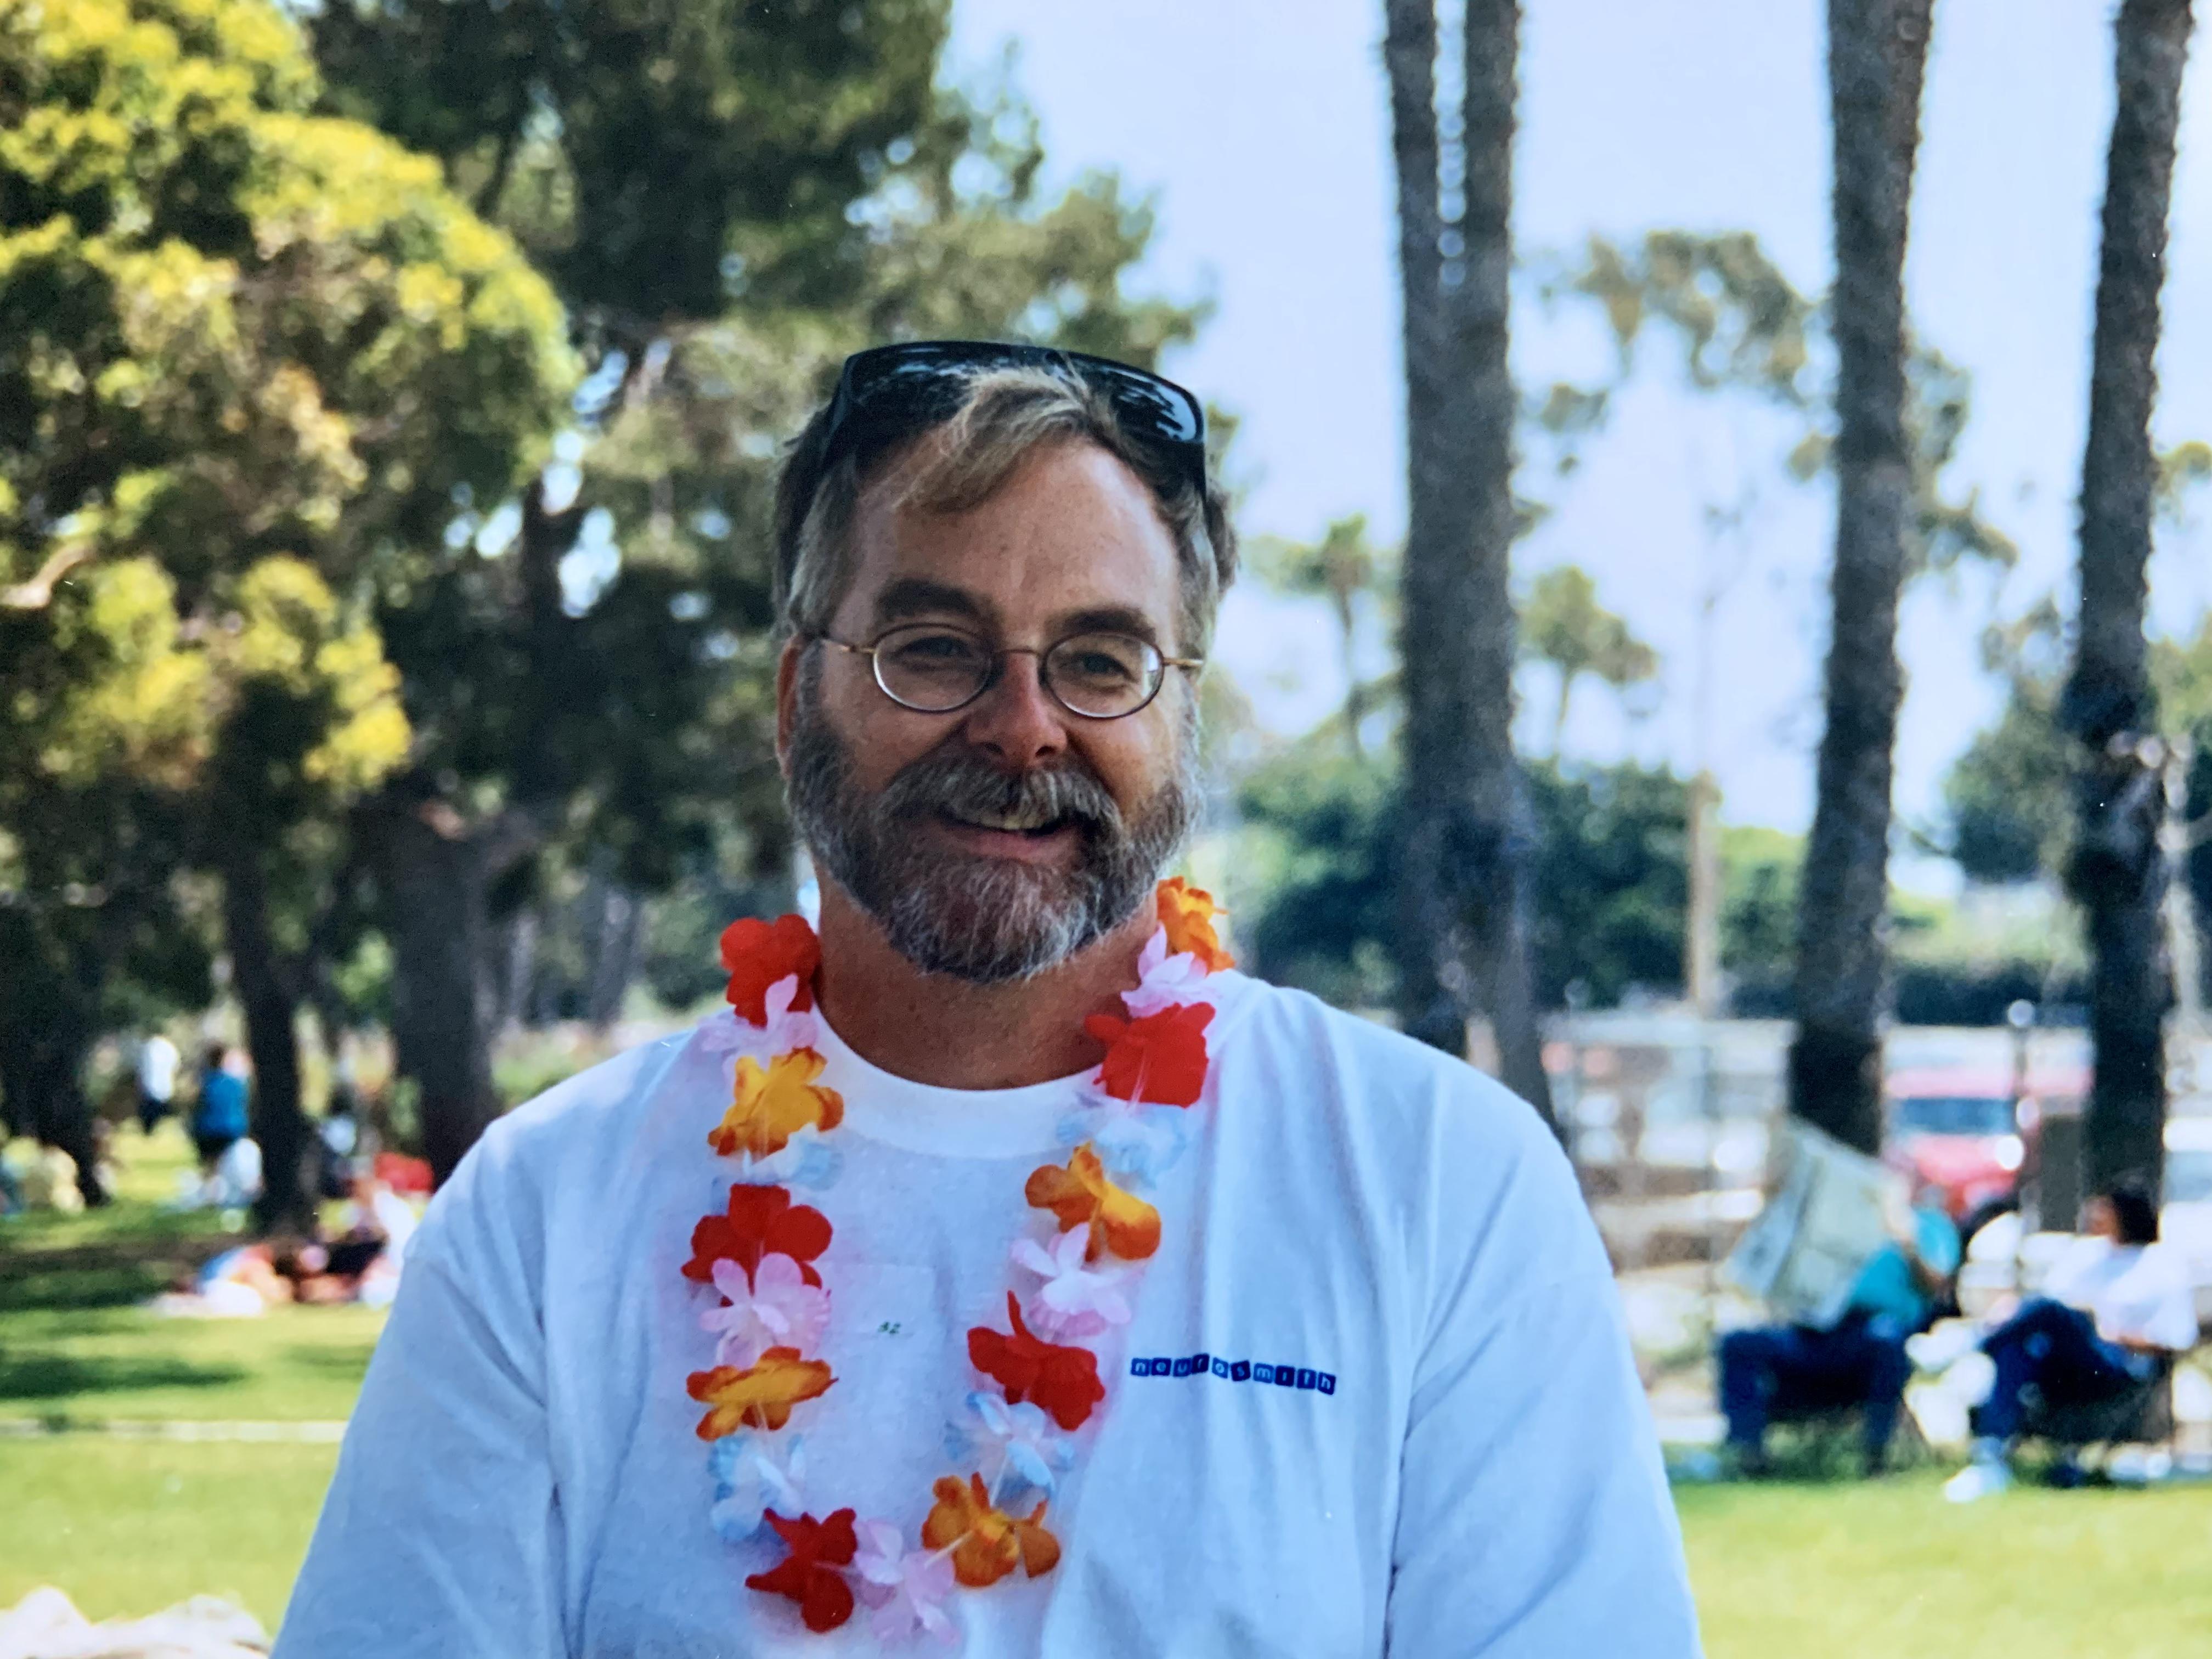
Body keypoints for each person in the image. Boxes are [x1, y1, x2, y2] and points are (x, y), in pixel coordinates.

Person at [279, 343, 1700, 1656]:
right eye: (934, 648)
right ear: (794, 702)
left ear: (1180, 717)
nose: (1023, 727)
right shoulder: (545, 1213)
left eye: (1100, 662)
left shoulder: (1438, 1181)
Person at [1944, 1178, 2199, 1502]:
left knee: (2054, 1312)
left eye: (2103, 1208)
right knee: (2017, 1349)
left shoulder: (2161, 1265)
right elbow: (2043, 1307)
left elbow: (2176, 1338)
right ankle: (1990, 1457)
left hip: (2120, 1363)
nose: (2093, 1214)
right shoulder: (2086, 1255)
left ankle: (1971, 1344)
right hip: (2067, 1360)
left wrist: (2109, 1331)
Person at [1717, 1186, 1960, 1477]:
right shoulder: (1838, 1217)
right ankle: (1749, 1456)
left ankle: (1876, 1458)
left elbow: (1938, 1286)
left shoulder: (1928, 1225)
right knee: (1738, 1342)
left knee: (1886, 1338)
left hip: (1872, 1331)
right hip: (1815, 1328)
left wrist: (1906, 1238)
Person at [189, 1045, 250, 1172]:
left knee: (210, 1167)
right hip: (235, 1130)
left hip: (210, 1131)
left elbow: (199, 1107)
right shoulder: (236, 1083)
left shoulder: (206, 1083)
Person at [136, 1032, 180, 1135]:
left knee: (149, 1117)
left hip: (149, 1090)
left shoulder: (147, 1047)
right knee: (162, 1118)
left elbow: (140, 1069)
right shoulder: (169, 1047)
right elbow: (176, 1067)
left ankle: (148, 1132)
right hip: (166, 1090)